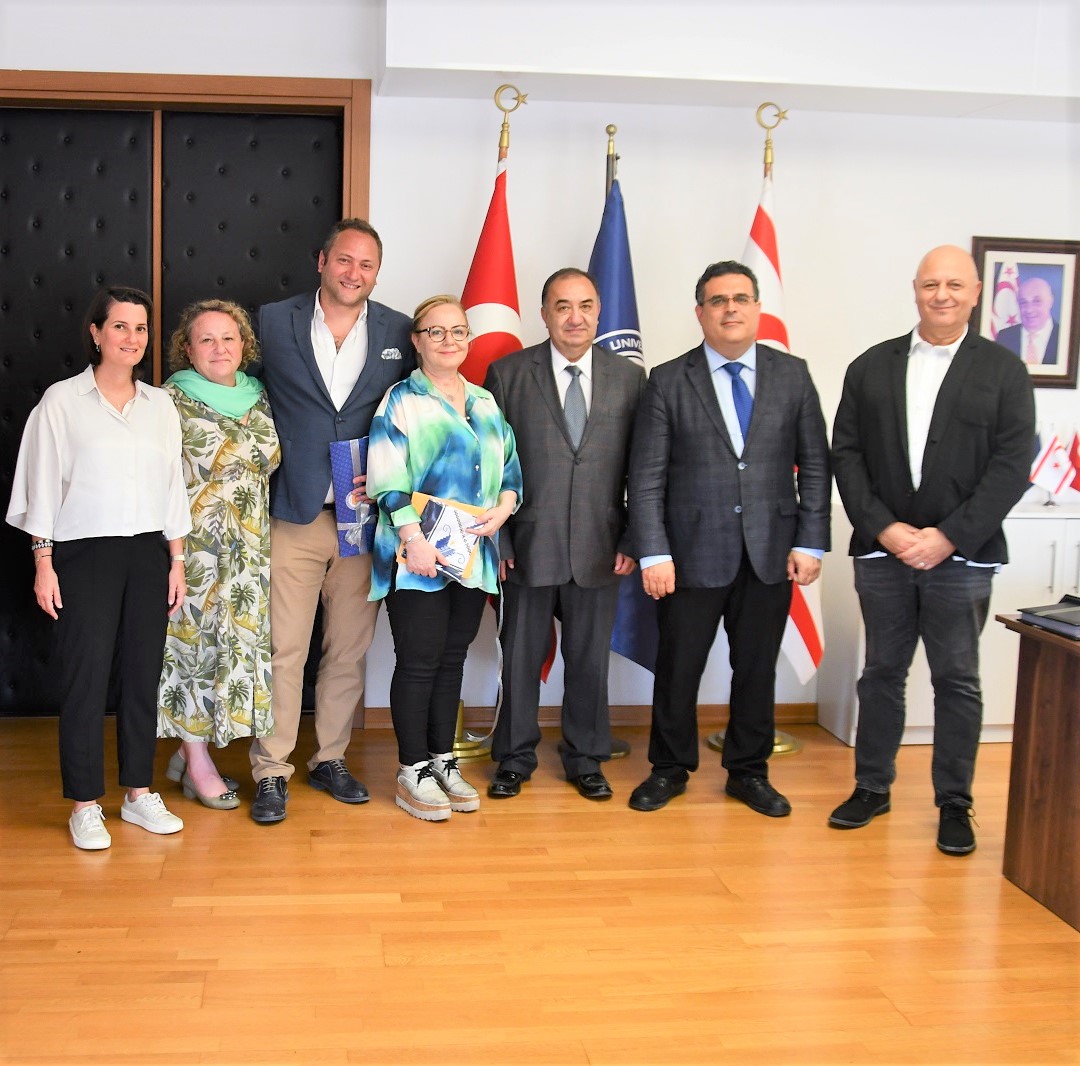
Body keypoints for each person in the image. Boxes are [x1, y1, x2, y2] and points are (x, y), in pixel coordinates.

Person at [829, 244, 1036, 855]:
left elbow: (1011, 466)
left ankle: (954, 803)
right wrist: (885, 529)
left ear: (976, 293)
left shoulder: (1004, 372)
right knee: (881, 675)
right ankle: (872, 787)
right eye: (930, 284)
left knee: (957, 680)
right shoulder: (870, 367)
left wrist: (948, 536)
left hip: (962, 558)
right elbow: (846, 455)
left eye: (954, 284)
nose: (941, 295)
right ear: (915, 290)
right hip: (883, 554)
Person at [627, 261, 831, 816]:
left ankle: (748, 772)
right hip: (689, 555)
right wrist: (654, 551)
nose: (731, 308)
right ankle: (669, 769)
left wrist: (810, 542)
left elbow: (816, 464)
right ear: (700, 313)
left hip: (770, 552)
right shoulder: (669, 380)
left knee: (757, 669)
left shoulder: (793, 375)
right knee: (678, 667)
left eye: (741, 298)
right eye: (718, 300)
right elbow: (647, 477)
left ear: (758, 308)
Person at [6, 286, 191, 849]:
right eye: (120, 327)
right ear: (95, 332)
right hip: (82, 554)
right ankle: (85, 804)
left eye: (141, 328)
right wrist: (43, 562)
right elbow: (41, 486)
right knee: (84, 678)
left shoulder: (160, 406)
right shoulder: (61, 403)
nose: (132, 338)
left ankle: (138, 793)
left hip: (148, 553)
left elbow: (173, 488)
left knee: (142, 675)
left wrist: (176, 560)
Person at [246, 218, 415, 824]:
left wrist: (393, 477)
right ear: (321, 261)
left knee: (347, 648)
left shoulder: (399, 330)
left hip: (362, 520)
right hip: (292, 511)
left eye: (367, 265)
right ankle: (271, 768)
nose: (354, 273)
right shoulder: (272, 321)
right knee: (284, 648)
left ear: (377, 273)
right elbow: (243, 395)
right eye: (344, 260)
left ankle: (330, 759)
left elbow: (413, 414)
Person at [483, 268, 645, 801]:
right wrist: (501, 541)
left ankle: (586, 757)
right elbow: (491, 465)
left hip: (602, 545)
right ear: (544, 314)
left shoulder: (630, 378)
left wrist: (633, 539)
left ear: (598, 313)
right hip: (528, 544)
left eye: (585, 306)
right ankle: (514, 758)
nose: (575, 317)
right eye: (562, 306)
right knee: (520, 657)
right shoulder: (509, 374)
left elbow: (642, 467)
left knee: (590, 660)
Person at [367, 295, 521, 821]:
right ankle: (411, 770)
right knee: (419, 662)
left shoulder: (485, 401)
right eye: (436, 331)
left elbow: (511, 470)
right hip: (417, 554)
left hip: (472, 554)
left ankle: (442, 761)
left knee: (452, 659)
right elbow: (387, 478)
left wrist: (504, 508)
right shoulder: (400, 400)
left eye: (458, 331)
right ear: (417, 341)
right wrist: (413, 540)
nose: (449, 340)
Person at [157, 299, 281, 810]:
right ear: (187, 350)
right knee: (193, 650)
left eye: (228, 338)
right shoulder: (169, 400)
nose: (219, 348)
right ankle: (197, 762)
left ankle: (190, 753)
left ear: (243, 345)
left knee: (234, 649)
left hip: (250, 551)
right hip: (195, 551)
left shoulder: (260, 395)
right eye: (205, 339)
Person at [996, 276, 1060, 365]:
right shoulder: (1004, 337)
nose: (1029, 310)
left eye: (1036, 301)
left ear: (1050, 301)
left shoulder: (1063, 336)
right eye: (1023, 302)